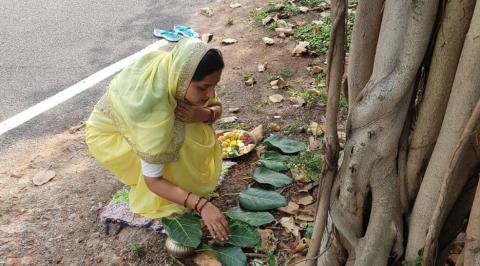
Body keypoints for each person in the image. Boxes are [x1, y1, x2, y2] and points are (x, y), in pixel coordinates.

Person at [85, 38, 229, 241]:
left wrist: (202, 114)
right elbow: (153, 181)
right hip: (111, 138)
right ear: (183, 77)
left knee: (187, 125)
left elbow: (217, 107)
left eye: (214, 86)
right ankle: (166, 186)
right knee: (174, 145)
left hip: (155, 120)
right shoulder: (153, 110)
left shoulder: (179, 71)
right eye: (204, 87)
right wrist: (202, 205)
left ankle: (173, 173)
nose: (211, 93)